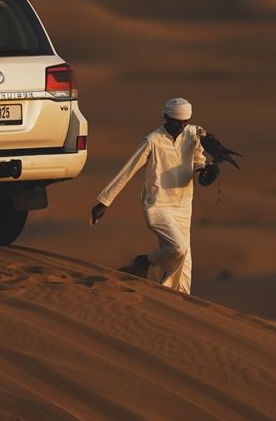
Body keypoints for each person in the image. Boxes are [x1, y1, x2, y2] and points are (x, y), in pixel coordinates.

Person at [89, 97, 218, 295]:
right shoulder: (152, 140)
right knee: (178, 249)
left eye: (185, 123)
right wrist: (104, 201)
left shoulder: (194, 133)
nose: (181, 127)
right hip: (157, 205)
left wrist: (203, 172)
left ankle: (176, 299)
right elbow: (128, 170)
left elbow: (198, 160)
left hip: (184, 206)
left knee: (185, 263)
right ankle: (145, 261)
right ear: (166, 117)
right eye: (177, 122)